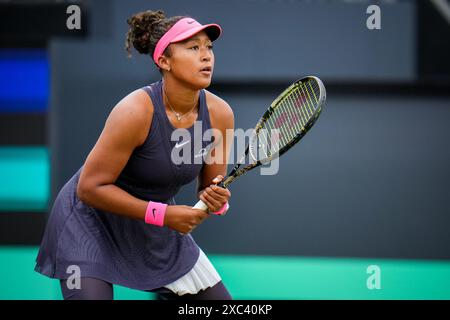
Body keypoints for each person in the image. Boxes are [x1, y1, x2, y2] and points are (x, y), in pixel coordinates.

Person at [34, 9, 234, 300]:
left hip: (152, 225)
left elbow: (208, 187)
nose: (206, 56)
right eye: (193, 48)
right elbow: (89, 188)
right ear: (164, 61)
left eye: (209, 47)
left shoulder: (220, 114)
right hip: (90, 223)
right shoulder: (135, 111)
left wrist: (217, 202)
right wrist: (164, 214)